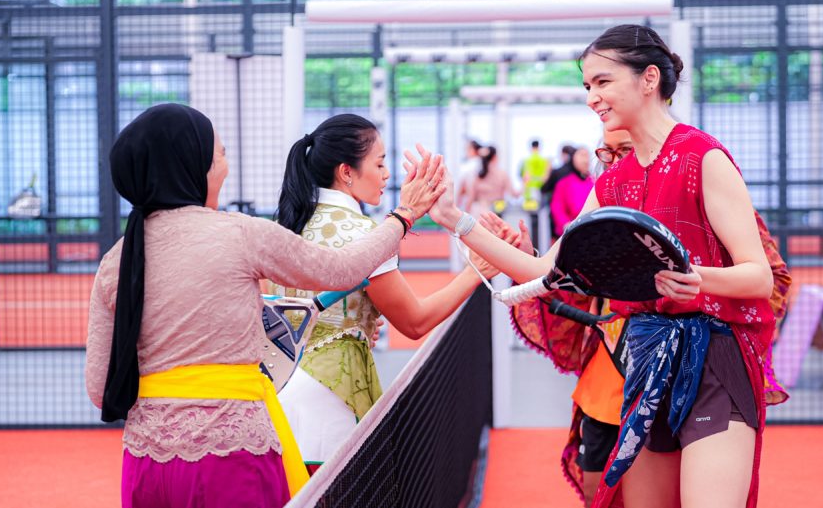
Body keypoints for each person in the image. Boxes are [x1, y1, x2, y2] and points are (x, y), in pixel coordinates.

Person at [419, 24, 777, 508]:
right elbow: (541, 272)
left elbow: (759, 277)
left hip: (715, 358)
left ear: (649, 78)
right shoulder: (612, 183)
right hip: (647, 362)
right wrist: (450, 217)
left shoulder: (702, 156)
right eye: (587, 85)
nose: (592, 96)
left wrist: (698, 279)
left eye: (602, 82)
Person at [84, 104, 444, 508]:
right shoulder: (239, 234)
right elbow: (343, 269)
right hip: (230, 453)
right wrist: (405, 214)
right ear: (193, 167)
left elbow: (100, 389)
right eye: (219, 154)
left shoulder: (116, 260)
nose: (226, 164)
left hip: (145, 461)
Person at [484, 122, 792, 507]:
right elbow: (566, 278)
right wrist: (528, 257)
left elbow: (770, 279)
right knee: (602, 488)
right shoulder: (604, 202)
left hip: (698, 364)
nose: (613, 163)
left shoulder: (708, 194)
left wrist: (698, 287)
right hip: (617, 374)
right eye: (605, 153)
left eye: (625, 151)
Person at [271, 114, 506, 475]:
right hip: (332, 396)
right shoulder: (364, 233)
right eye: (379, 163)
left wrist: (359, 321)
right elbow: (414, 321)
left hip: (282, 390)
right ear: (346, 172)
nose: (386, 174)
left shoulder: (289, 222)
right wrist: (476, 271)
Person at [549, 146, 594, 238]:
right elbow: (557, 207)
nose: (585, 160)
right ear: (574, 158)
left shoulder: (595, 182)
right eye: (582, 155)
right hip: (570, 232)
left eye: (587, 156)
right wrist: (566, 224)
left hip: (592, 230)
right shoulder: (564, 183)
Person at [465, 145, 518, 217]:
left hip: (479, 215)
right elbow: (514, 194)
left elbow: (471, 198)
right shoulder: (502, 174)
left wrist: (464, 218)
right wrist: (525, 183)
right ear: (495, 157)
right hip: (496, 215)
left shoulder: (478, 176)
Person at [520, 139, 551, 212]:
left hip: (529, 190)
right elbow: (546, 176)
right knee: (539, 213)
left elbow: (525, 176)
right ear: (539, 147)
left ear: (531, 147)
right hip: (541, 189)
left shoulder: (527, 160)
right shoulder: (544, 160)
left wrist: (522, 190)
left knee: (531, 214)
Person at [455, 138, 482, 209]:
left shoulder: (469, 166)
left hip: (469, 202)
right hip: (481, 203)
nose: (466, 151)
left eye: (467, 149)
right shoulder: (482, 164)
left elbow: (464, 186)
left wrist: (457, 203)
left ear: (473, 150)